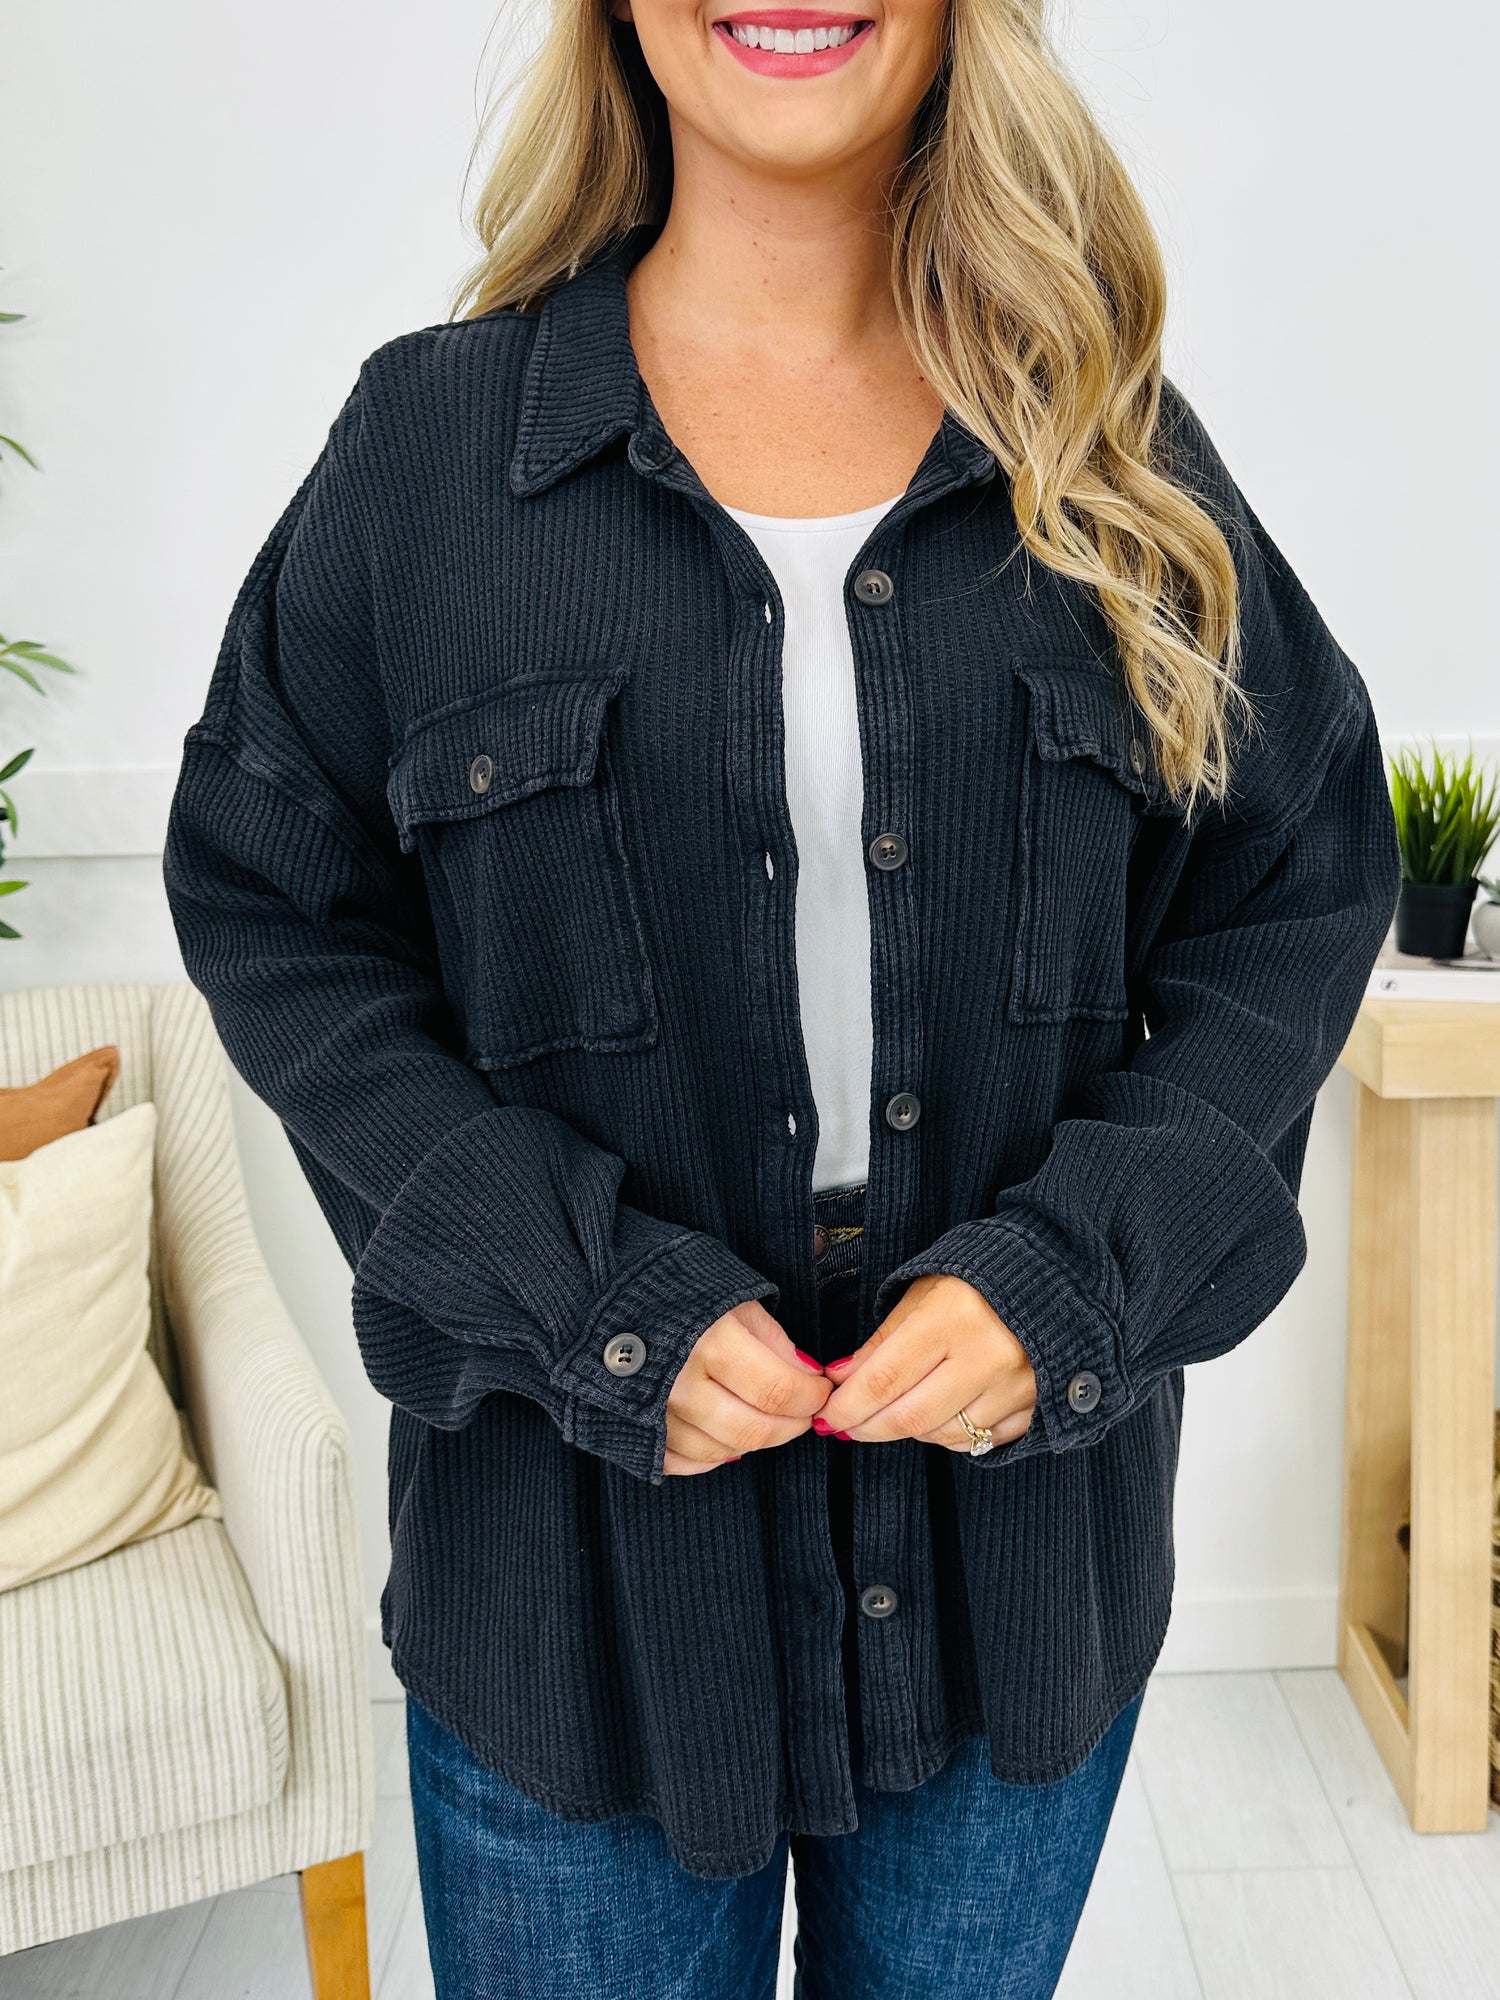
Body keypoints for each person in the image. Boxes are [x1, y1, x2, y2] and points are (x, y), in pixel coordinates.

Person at [161, 0, 1402, 1991]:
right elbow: (278, 907)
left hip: (1015, 1579)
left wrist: (1072, 1277)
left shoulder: (1110, 450)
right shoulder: (426, 454)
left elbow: (1299, 884)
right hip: (572, 1597)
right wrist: (577, 1291)